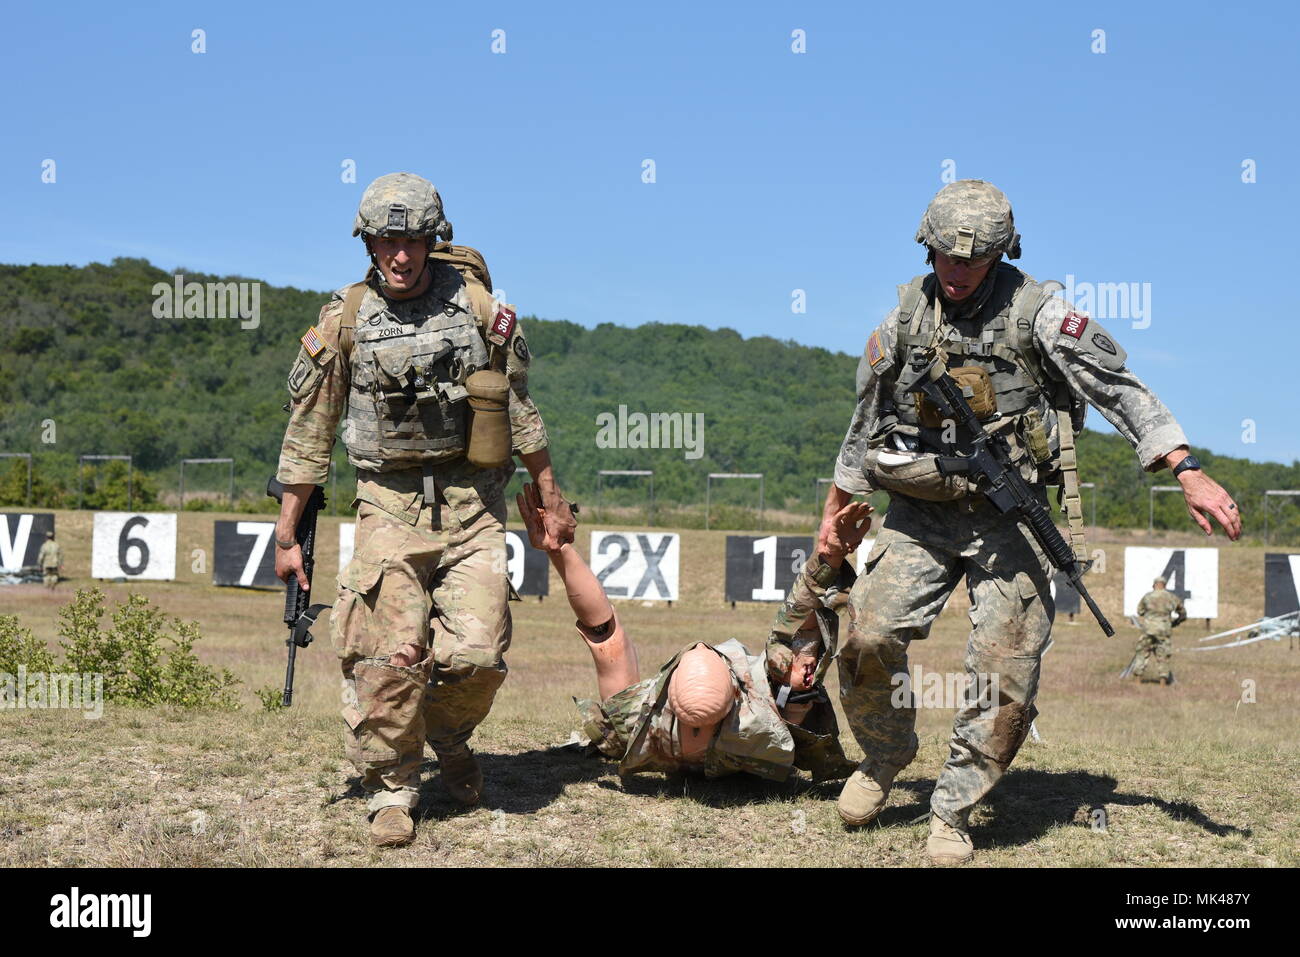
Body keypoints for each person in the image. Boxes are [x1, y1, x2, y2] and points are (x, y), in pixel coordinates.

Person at [818, 179, 1241, 865]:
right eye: (945, 259)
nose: (955, 273)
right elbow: (861, 426)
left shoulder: (1039, 315)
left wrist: (1184, 465)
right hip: (919, 511)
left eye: (973, 261)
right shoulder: (905, 319)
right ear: (926, 248)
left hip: (1009, 517)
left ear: (1002, 253)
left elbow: (1117, 389)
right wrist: (833, 527)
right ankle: (886, 753)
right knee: (866, 632)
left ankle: (952, 807)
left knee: (1007, 666)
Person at [273, 172, 577, 848]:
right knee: (391, 652)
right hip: (387, 502)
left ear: (432, 238)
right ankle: (394, 787)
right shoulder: (346, 320)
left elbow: (520, 409)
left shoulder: (475, 308)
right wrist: (288, 531)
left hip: (473, 502)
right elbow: (308, 433)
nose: (400, 256)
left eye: (412, 240)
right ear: (368, 242)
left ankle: (449, 734)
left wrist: (550, 496)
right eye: (386, 240)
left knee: (478, 655)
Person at [517, 482, 870, 783]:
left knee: (795, 671)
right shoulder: (767, 727)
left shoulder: (637, 728)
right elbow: (797, 623)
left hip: (709, 743)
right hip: (756, 742)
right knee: (798, 670)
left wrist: (559, 551)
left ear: (666, 693)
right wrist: (830, 557)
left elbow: (605, 634)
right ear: (736, 689)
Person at [1130, 576, 1187, 684]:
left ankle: (1138, 679)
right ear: (1164, 585)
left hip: (1148, 629)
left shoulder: (1147, 597)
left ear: (1155, 585)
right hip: (1164, 630)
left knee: (1142, 652)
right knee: (1163, 655)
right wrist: (1174, 623)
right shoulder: (1171, 597)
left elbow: (1140, 611)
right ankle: (1163, 681)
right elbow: (1183, 613)